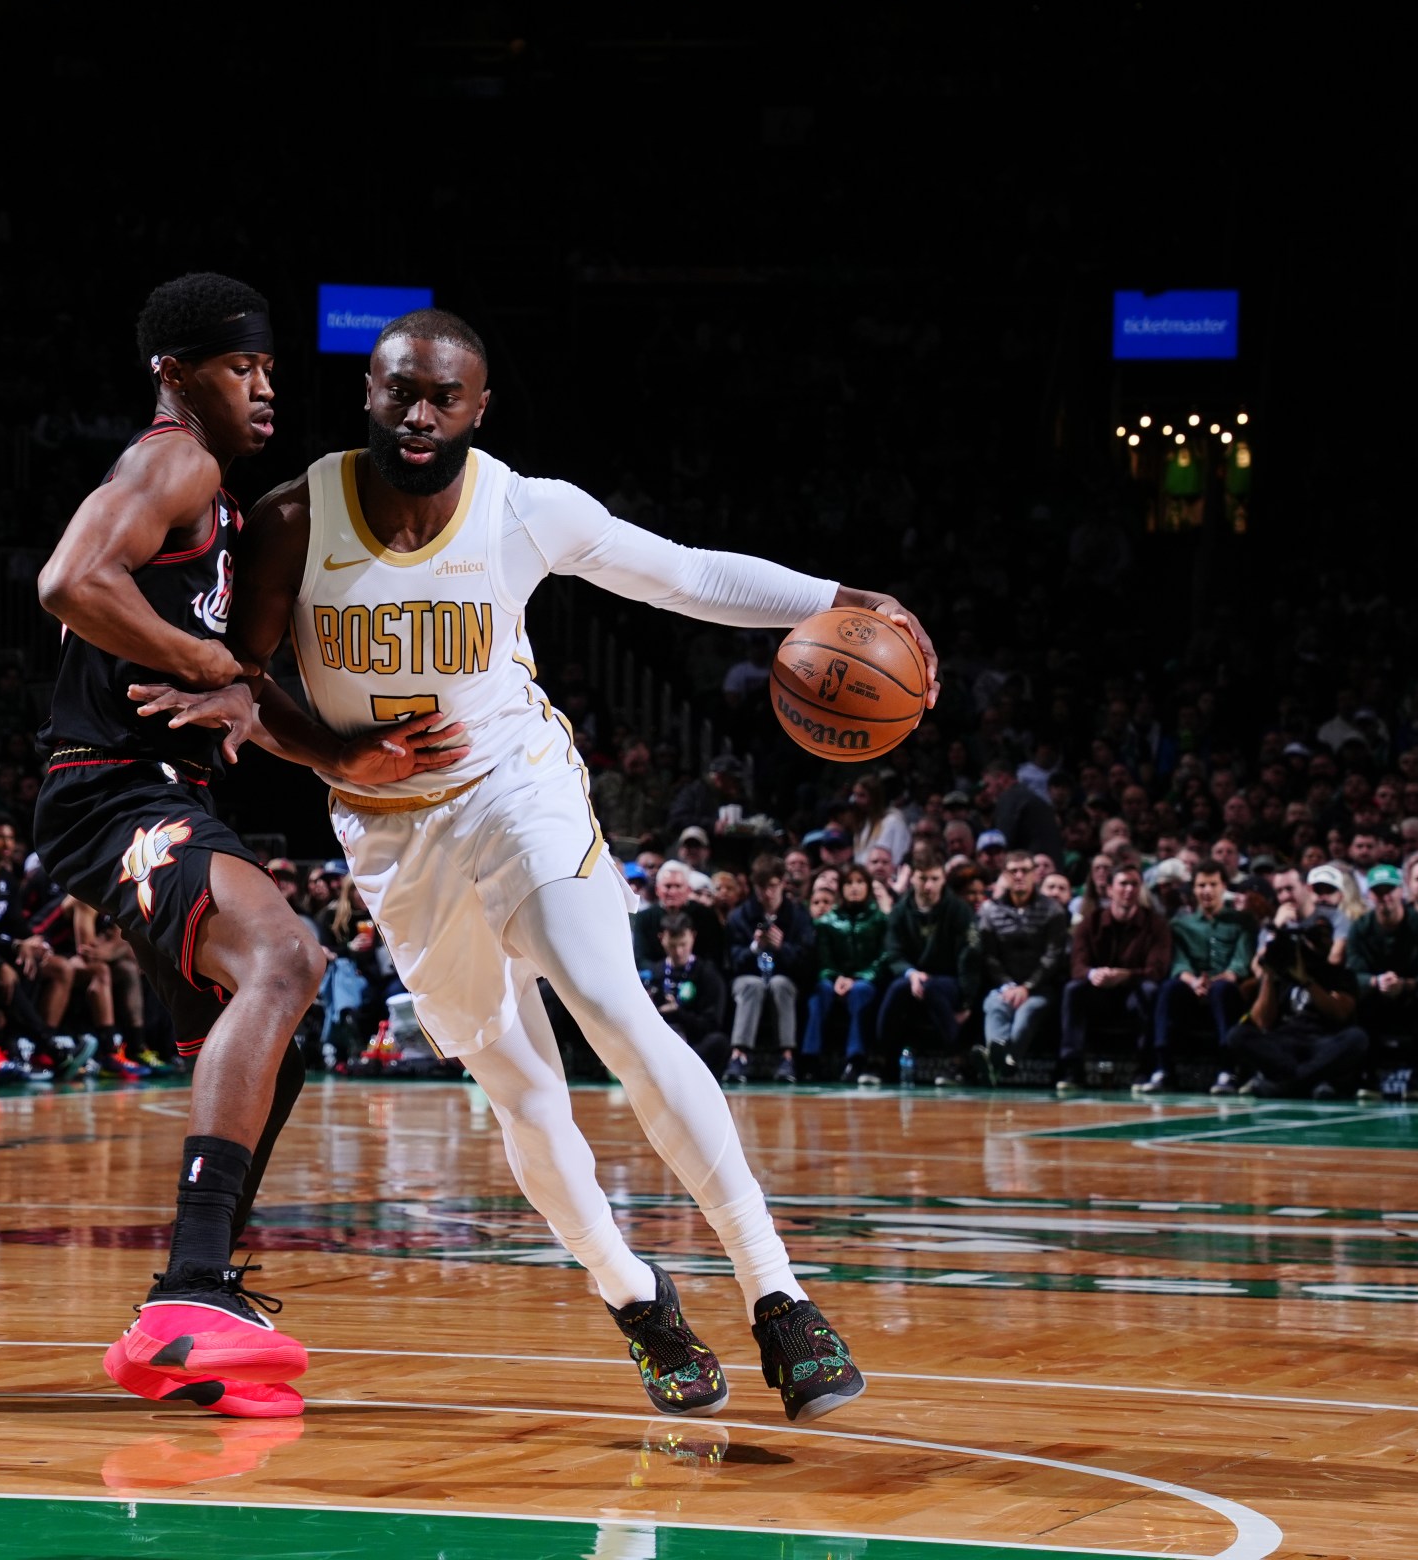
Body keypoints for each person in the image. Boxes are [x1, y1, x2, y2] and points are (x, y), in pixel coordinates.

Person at [139, 308, 924, 1422]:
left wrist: (837, 600)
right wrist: (335, 750)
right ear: (367, 391)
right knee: (520, 1085)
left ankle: (776, 1291)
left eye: (442, 398)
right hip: (388, 827)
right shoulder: (291, 518)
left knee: (610, 999)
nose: (418, 415)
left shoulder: (523, 507)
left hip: (516, 789)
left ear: (479, 409)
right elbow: (245, 682)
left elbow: (685, 574)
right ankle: (633, 1294)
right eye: (398, 391)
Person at [34, 273, 382, 1421]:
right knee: (285, 961)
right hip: (110, 790)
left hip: (167, 792)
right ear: (178, 372)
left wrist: (346, 751)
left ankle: (200, 1306)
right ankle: (189, 1289)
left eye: (272, 368)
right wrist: (202, 665)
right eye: (243, 367)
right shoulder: (171, 459)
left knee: (280, 1026)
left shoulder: (222, 506)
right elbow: (70, 581)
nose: (266, 385)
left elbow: (244, 688)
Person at [1231, 886, 1368, 1098]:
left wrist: (1306, 982)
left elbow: (1339, 1012)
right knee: (1238, 1034)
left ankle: (1285, 1085)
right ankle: (1309, 1081)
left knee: (1356, 1038)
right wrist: (1269, 974)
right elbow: (1262, 1021)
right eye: (1314, 935)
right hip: (1286, 1042)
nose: (1320, 941)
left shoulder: (1341, 974)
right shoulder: (1287, 968)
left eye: (1325, 935)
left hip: (1323, 1041)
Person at [1056, 866, 1170, 1092]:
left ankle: (1144, 1070)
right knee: (1073, 989)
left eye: (1134, 884)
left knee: (1150, 991)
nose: (1129, 889)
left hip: (1133, 991)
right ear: (1109, 890)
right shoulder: (1090, 922)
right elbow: (1077, 965)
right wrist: (1093, 974)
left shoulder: (1156, 923)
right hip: (1098, 992)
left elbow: (1157, 969)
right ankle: (1072, 1070)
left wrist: (1125, 976)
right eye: (1123, 884)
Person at [1342, 863, 1418, 1098]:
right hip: (1376, 996)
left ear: (1401, 891)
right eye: (1378, 891)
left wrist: (1404, 985)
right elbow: (1353, 976)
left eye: (1390, 890)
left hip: (1412, 996)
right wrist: (1376, 982)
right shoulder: (1360, 929)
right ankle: (1366, 1077)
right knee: (1356, 1001)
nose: (1385, 897)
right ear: (1369, 895)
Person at [1144, 865, 1250, 1093]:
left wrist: (1219, 980)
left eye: (1213, 884)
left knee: (1222, 990)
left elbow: (1240, 964)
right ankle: (1163, 1069)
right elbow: (1179, 963)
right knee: (1168, 989)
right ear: (1194, 889)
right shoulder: (1180, 925)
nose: (1207, 890)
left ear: (1224, 887)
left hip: (1226, 989)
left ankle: (1227, 1070)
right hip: (1192, 988)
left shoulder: (1241, 922)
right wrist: (1193, 982)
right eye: (1202, 885)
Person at [973, 854, 1069, 1081]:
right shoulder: (991, 911)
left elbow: (1052, 956)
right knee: (995, 1006)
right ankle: (1003, 1061)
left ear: (1034, 874)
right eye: (1013, 871)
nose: (1019, 876)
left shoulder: (1052, 910)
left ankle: (995, 1062)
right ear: (1004, 875)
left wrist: (1027, 986)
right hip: (1004, 987)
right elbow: (989, 956)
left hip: (1039, 988)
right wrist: (1007, 985)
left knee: (1026, 1013)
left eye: (1024, 870)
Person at [875, 847, 972, 1071]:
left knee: (932, 989)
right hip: (912, 976)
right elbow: (893, 951)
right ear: (912, 879)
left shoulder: (959, 910)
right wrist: (911, 973)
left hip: (950, 980)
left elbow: (969, 956)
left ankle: (958, 1060)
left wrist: (967, 1002)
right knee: (896, 989)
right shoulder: (900, 911)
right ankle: (880, 1059)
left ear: (943, 878)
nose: (928, 885)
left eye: (934, 879)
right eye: (922, 878)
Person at [724, 855, 813, 1084]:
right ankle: (738, 1056)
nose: (767, 893)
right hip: (748, 978)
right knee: (751, 985)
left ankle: (787, 1057)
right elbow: (731, 962)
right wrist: (754, 947)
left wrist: (782, 947)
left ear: (783, 883)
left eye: (772, 886)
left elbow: (806, 962)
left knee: (780, 984)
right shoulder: (740, 916)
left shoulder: (798, 916)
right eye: (761, 887)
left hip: (784, 979)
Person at [807, 864, 888, 1082]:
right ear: (841, 888)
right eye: (849, 883)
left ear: (868, 887)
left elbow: (883, 958)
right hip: (835, 979)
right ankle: (810, 1058)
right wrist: (836, 978)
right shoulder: (827, 921)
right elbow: (824, 961)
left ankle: (855, 1058)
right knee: (820, 990)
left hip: (865, 980)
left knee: (860, 992)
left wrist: (857, 978)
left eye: (860, 882)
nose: (854, 887)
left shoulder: (880, 920)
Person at [646, 911, 727, 1074]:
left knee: (719, 1042)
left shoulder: (707, 974)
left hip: (693, 1043)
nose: (678, 952)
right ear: (662, 938)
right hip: (659, 1042)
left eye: (683, 944)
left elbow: (711, 1023)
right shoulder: (653, 973)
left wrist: (678, 1013)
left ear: (693, 937)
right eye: (673, 945)